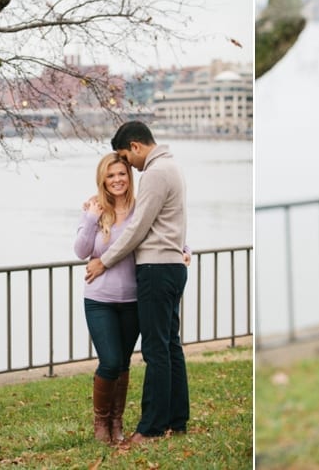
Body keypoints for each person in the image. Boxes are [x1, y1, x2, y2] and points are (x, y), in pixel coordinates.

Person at [85, 120, 190, 444]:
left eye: (126, 159)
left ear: (135, 146)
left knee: (157, 350)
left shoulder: (156, 173)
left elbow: (138, 227)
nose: (128, 167)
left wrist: (105, 260)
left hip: (157, 269)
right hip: (170, 266)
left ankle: (152, 427)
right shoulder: (171, 167)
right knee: (170, 346)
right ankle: (177, 418)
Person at [75, 153, 139, 444]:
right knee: (110, 361)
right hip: (99, 299)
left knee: (124, 363)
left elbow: (161, 233)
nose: (117, 180)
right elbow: (80, 250)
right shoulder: (95, 209)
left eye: (122, 174)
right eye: (111, 175)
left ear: (129, 176)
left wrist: (184, 248)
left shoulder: (141, 208)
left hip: (133, 300)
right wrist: (90, 218)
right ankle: (101, 421)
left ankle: (117, 422)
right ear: (103, 179)